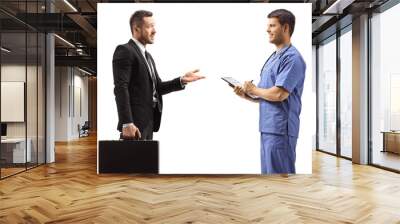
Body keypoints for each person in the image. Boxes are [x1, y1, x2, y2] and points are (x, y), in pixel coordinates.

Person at [113, 10, 205, 140]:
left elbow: (158, 87)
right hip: (134, 125)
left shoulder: (148, 57)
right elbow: (120, 88)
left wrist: (181, 80)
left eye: (154, 26)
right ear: (136, 28)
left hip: (149, 121)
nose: (154, 31)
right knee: (133, 160)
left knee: (145, 160)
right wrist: (127, 123)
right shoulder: (125, 50)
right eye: (149, 26)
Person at [234, 9, 306, 174]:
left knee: (280, 178)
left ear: (285, 28)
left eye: (272, 25)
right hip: (268, 128)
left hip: (281, 130)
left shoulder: (292, 58)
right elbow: (266, 94)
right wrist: (247, 95)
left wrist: (253, 89)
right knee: (269, 177)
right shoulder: (273, 58)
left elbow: (280, 94)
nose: (268, 30)